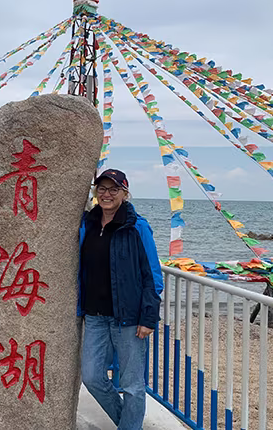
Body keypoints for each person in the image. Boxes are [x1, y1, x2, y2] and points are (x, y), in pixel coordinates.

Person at [78, 169, 163, 430]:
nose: (107, 194)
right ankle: (128, 425)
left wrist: (148, 317)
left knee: (132, 386)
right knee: (92, 377)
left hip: (128, 318)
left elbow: (153, 276)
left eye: (114, 189)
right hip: (94, 316)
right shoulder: (87, 224)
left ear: (125, 193)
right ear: (95, 193)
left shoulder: (137, 227)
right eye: (101, 189)